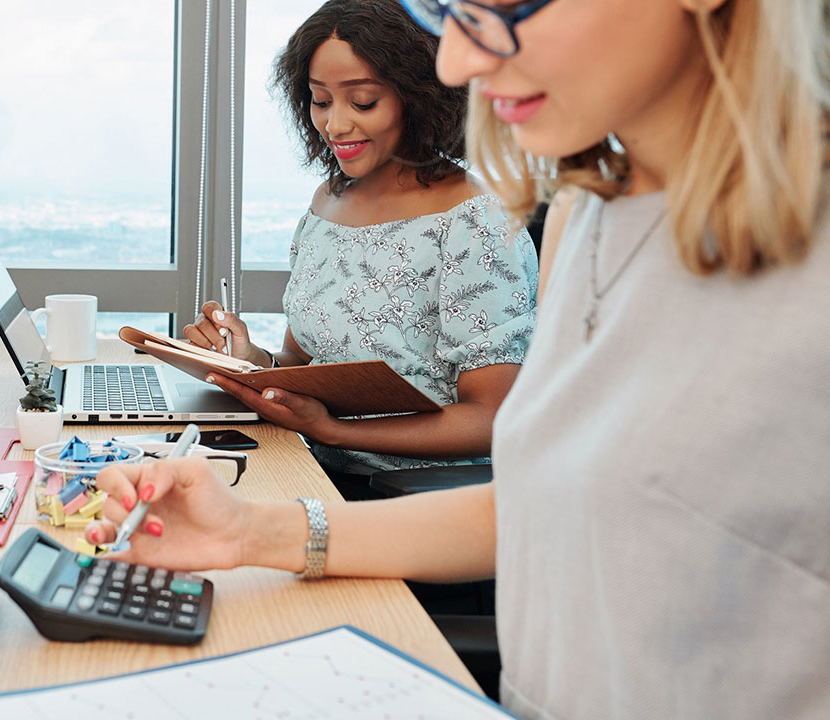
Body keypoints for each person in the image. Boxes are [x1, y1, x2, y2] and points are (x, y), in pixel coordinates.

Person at [90, 0, 830, 717]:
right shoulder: (586, 210)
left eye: (509, 7)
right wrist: (246, 530)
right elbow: (533, 505)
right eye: (456, 13)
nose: (457, 59)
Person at [184, 0, 537, 488]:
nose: (335, 125)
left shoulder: (475, 221)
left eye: (363, 101)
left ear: (419, 97)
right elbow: (305, 365)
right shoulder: (328, 201)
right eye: (320, 100)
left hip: (427, 498)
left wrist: (329, 428)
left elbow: (493, 417)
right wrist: (251, 361)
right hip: (317, 470)